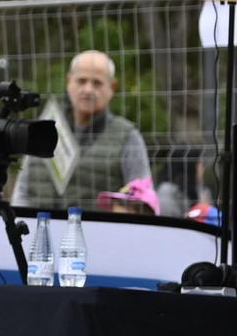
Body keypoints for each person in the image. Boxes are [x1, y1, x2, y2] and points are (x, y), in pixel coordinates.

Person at [13, 50, 152, 214]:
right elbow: (22, 192)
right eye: (81, 81)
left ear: (112, 87)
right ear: (68, 81)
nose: (88, 90)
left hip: (98, 236)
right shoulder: (43, 129)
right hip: (40, 233)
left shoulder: (127, 136)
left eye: (97, 83)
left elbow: (142, 201)